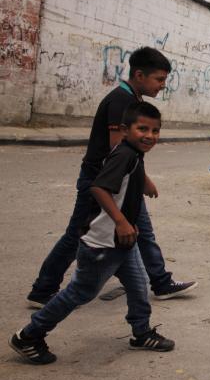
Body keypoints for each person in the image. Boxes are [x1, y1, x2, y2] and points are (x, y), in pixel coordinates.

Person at [26, 47, 196, 309]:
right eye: (159, 79)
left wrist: (140, 180)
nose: (163, 85)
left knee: (143, 232)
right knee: (76, 235)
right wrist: (143, 179)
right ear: (139, 75)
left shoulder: (131, 99)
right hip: (102, 183)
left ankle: (161, 282)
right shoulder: (120, 101)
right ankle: (43, 290)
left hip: (123, 182)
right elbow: (118, 150)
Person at [10, 102, 175, 364]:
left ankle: (141, 333)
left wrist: (143, 185)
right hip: (103, 243)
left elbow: (127, 181)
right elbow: (99, 188)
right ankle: (29, 335)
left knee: (138, 284)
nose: (150, 136)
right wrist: (121, 221)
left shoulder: (133, 153)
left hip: (123, 242)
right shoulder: (125, 155)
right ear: (125, 130)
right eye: (142, 129)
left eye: (155, 131)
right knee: (80, 292)